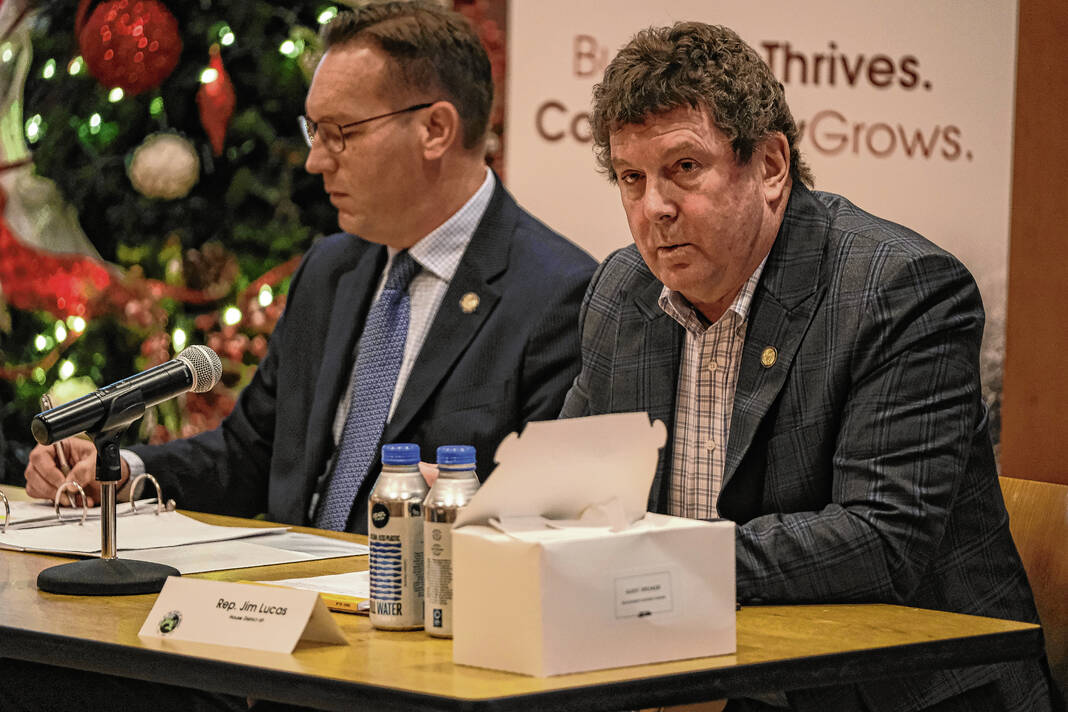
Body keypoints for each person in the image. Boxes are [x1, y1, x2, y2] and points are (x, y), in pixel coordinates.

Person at [559, 21, 1054, 712]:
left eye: (684, 168)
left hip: (891, 690)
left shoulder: (899, 290)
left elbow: (880, 541)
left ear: (770, 166)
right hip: (696, 674)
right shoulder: (623, 291)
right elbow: (572, 493)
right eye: (631, 178)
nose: (655, 209)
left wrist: (658, 562)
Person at [23, 1, 595, 536]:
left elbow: (546, 526)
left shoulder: (557, 296)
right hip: (286, 590)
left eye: (341, 133)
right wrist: (121, 472)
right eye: (314, 131)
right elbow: (250, 454)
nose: (316, 160)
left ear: (436, 130)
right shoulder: (332, 267)